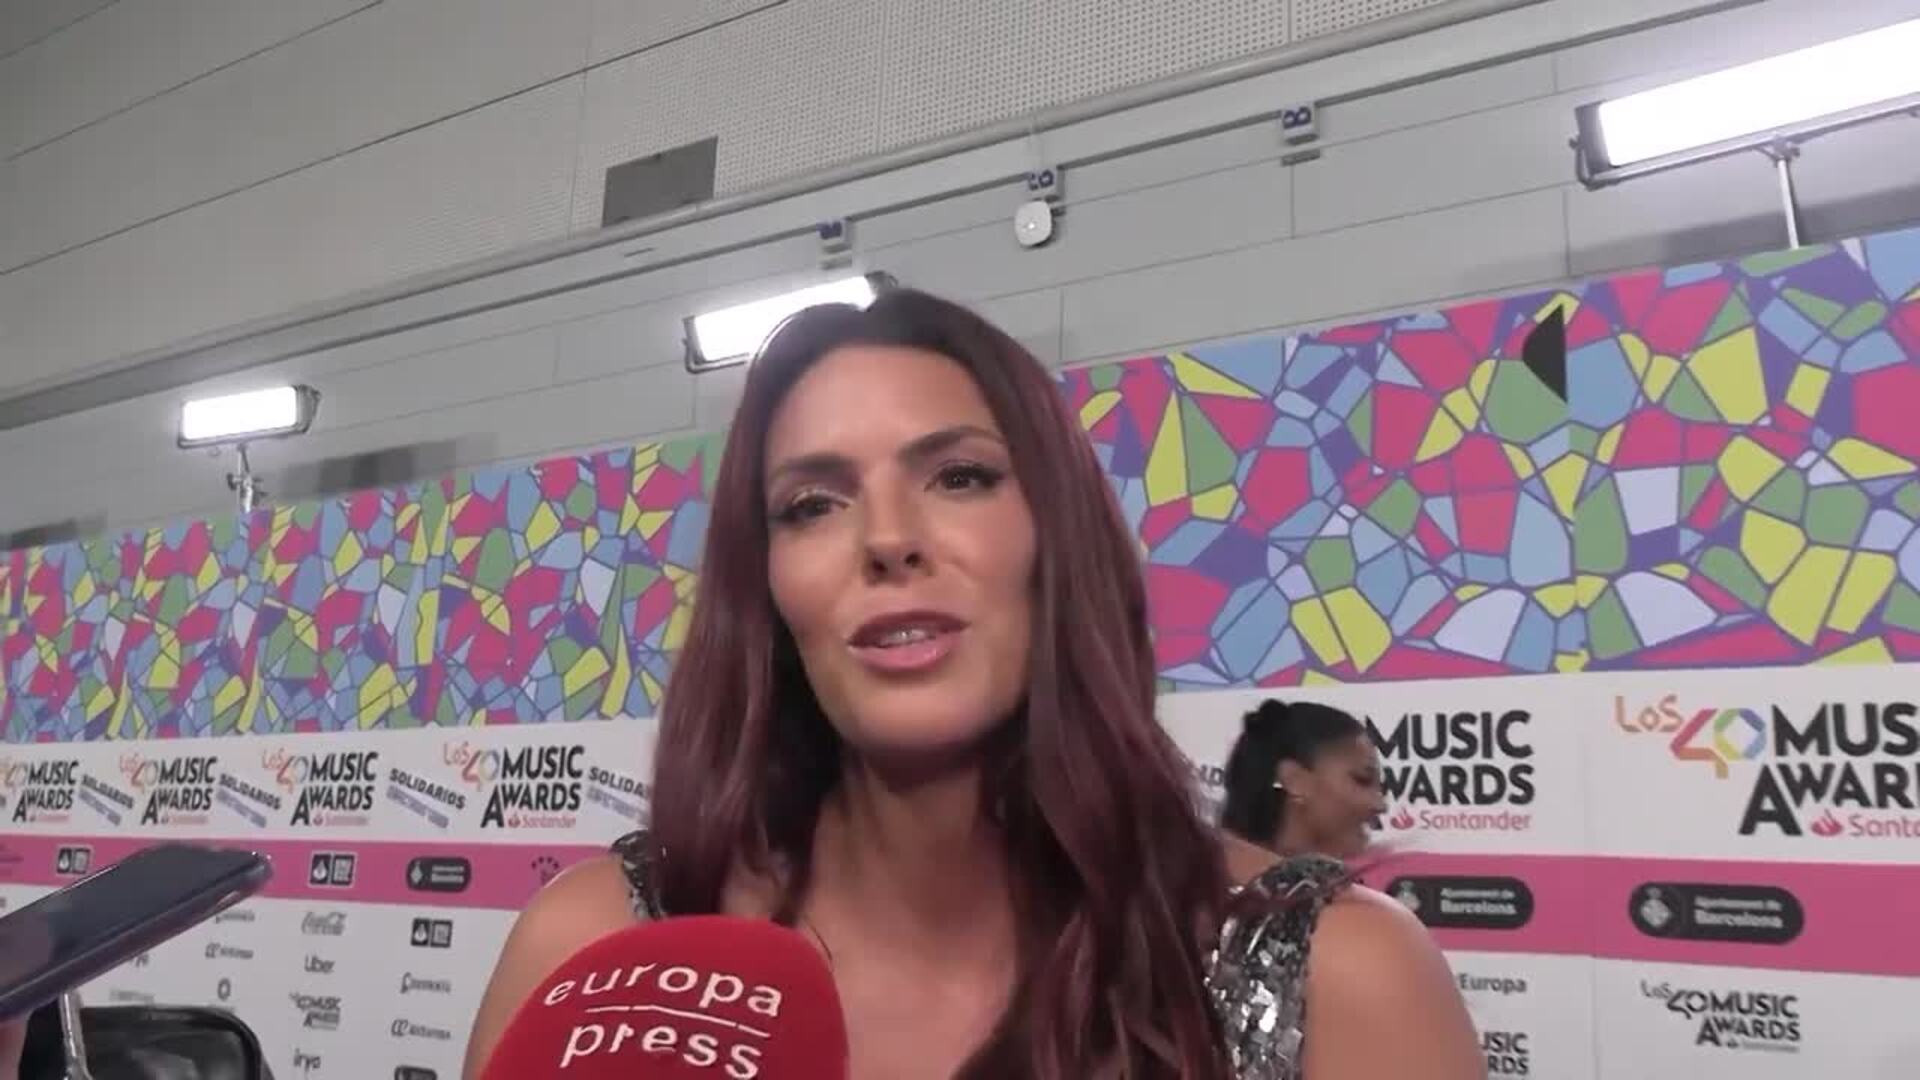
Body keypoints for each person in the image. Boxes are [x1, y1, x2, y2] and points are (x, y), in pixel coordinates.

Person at [465, 290, 1482, 1079]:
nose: (889, 539)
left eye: (960, 477)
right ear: (765, 586)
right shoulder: (597, 951)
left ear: (1056, 537)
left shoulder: (1342, 978)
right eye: (813, 504)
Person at [1219, 699, 1388, 859]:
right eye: (1362, 779)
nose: (1380, 805)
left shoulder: (1386, 874)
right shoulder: (1213, 875)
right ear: (1294, 781)